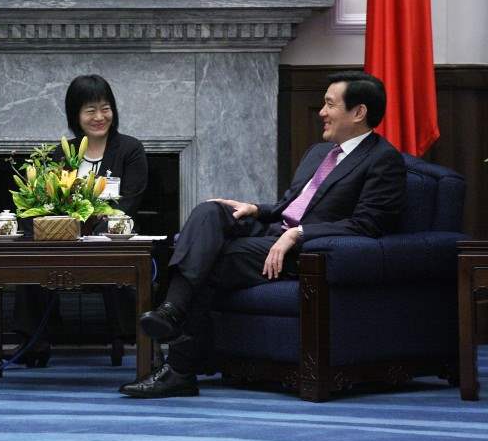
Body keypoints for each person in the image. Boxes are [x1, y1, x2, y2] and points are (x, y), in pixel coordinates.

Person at [119, 71, 406, 398]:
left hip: (305, 251)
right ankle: (171, 311)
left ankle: (179, 367)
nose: (321, 112)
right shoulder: (319, 153)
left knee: (215, 258)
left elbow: (367, 225)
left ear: (359, 112)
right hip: (273, 230)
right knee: (210, 211)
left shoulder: (383, 160)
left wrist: (299, 234)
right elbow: (291, 204)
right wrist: (256, 208)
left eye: (329, 104)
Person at [13, 74, 148, 366]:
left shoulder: (130, 149)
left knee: (112, 241)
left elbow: (129, 202)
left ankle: (127, 334)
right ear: (75, 114)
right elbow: (47, 201)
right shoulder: (61, 153)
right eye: (90, 110)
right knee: (31, 245)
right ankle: (35, 341)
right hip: (64, 239)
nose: (100, 117)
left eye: (105, 108)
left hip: (111, 235)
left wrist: (93, 220)